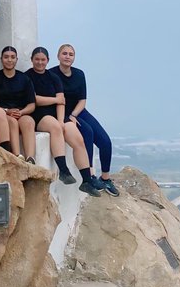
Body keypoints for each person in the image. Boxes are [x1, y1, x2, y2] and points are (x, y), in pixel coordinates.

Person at [26, 47, 100, 196]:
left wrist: (61, 120)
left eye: (43, 59)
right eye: (37, 59)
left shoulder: (53, 77)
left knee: (77, 137)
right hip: (39, 113)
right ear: (32, 59)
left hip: (58, 113)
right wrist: (54, 101)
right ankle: (63, 170)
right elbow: (34, 99)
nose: (40, 62)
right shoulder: (27, 77)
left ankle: (86, 180)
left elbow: (62, 101)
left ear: (47, 60)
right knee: (55, 127)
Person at [54, 44, 119, 196]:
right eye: (64, 53)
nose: (67, 56)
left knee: (105, 141)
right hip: (62, 111)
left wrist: (74, 115)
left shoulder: (79, 74)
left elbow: (83, 100)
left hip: (78, 110)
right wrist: (67, 117)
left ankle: (106, 178)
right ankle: (90, 176)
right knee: (87, 133)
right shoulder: (52, 74)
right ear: (58, 56)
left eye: (71, 54)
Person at [0, 46, 37, 161]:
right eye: (6, 57)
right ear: (1, 59)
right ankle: (17, 156)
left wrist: (21, 112)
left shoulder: (25, 79)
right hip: (4, 115)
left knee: (29, 122)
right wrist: (7, 111)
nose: (9, 60)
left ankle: (30, 159)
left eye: (12, 57)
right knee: (12, 122)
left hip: (21, 113)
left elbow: (32, 105)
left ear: (16, 59)